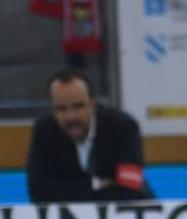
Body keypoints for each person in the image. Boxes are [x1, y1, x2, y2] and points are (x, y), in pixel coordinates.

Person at [26, 69, 152, 204]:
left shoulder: (123, 127)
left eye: (78, 106)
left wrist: (68, 190)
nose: (71, 116)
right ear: (52, 109)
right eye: (61, 109)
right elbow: (39, 193)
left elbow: (130, 189)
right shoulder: (44, 131)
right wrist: (96, 184)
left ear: (93, 103)